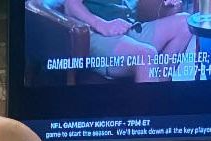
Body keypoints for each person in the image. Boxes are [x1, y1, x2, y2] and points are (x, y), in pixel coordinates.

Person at [63, 1, 192, 82]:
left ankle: (159, 95)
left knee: (186, 23)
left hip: (129, 28)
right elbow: (70, 5)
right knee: (146, 54)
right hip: (96, 34)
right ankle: (148, 115)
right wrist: (101, 25)